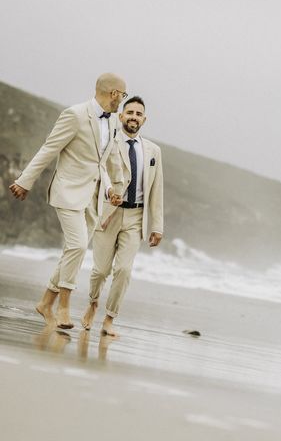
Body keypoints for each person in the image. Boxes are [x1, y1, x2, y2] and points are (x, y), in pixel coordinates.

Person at [9, 73, 126, 329]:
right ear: (113, 93)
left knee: (72, 250)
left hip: (93, 198)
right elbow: (49, 148)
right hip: (68, 192)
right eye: (123, 95)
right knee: (78, 245)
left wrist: (112, 189)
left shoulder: (114, 122)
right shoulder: (75, 115)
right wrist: (24, 180)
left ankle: (45, 302)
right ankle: (63, 307)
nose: (123, 101)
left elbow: (106, 160)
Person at [81, 95, 164, 336]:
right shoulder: (109, 142)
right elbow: (98, 174)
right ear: (121, 116)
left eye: (139, 114)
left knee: (124, 270)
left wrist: (156, 226)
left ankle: (109, 318)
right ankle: (93, 303)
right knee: (100, 270)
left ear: (144, 119)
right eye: (130, 113)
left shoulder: (153, 151)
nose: (134, 117)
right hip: (109, 213)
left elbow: (156, 190)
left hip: (136, 217)